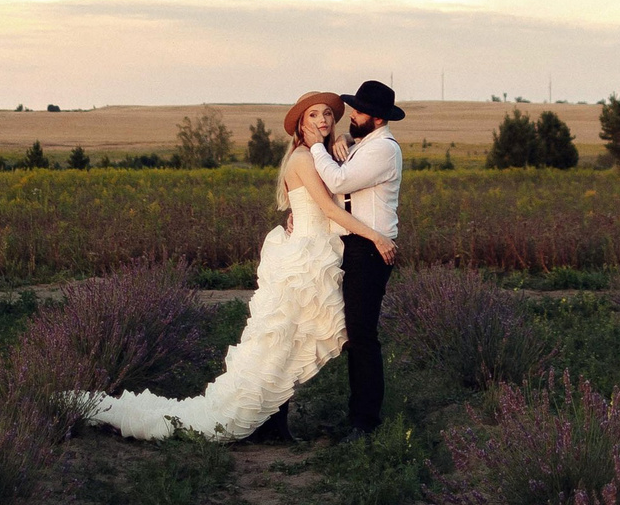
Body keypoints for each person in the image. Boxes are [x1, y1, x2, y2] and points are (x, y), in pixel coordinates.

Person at [69, 92, 392, 441]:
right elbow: (329, 209)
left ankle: (277, 421)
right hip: (304, 261)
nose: (323, 121)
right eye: (313, 115)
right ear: (301, 123)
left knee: (294, 340)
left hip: (318, 255)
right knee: (282, 339)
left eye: (328, 114)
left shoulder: (327, 154)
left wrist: (342, 142)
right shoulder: (303, 157)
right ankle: (266, 419)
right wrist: (377, 236)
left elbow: (332, 185)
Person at [315, 79, 404, 435]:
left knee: (362, 334)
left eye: (359, 111)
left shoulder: (384, 150)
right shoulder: (368, 143)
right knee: (353, 332)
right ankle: (358, 416)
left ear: (378, 118)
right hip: (355, 246)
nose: (353, 114)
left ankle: (365, 422)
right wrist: (345, 140)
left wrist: (315, 147)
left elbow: (338, 182)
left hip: (371, 249)